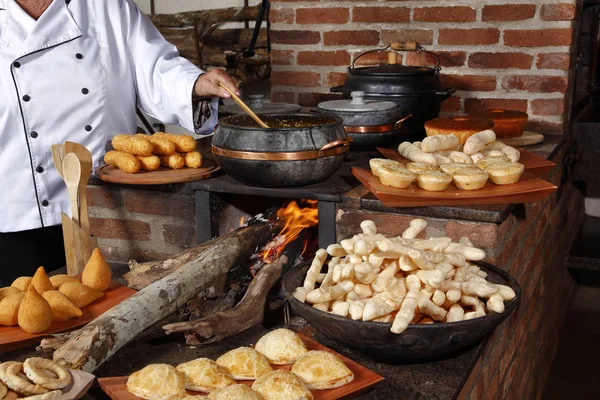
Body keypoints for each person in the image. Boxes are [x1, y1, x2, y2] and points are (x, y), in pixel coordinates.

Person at [0, 0, 239, 285]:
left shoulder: (107, 7)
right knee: (22, 319)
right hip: (16, 210)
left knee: (111, 312)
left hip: (107, 210)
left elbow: (157, 70)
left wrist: (196, 85)